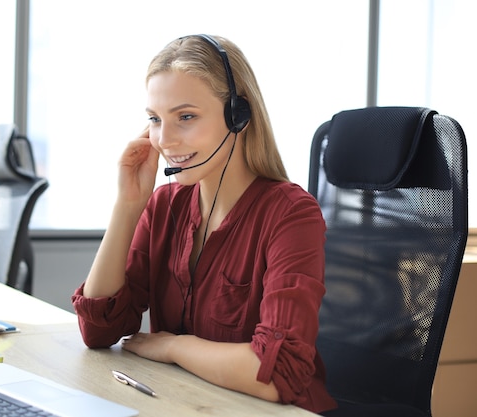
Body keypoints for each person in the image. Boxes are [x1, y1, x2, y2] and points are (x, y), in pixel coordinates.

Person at [71, 34, 337, 414]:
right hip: (191, 403)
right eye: (155, 120)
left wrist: (173, 346)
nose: (164, 139)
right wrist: (128, 206)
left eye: (186, 117)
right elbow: (97, 330)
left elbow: (279, 372)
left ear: (238, 116)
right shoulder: (165, 205)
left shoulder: (291, 214)